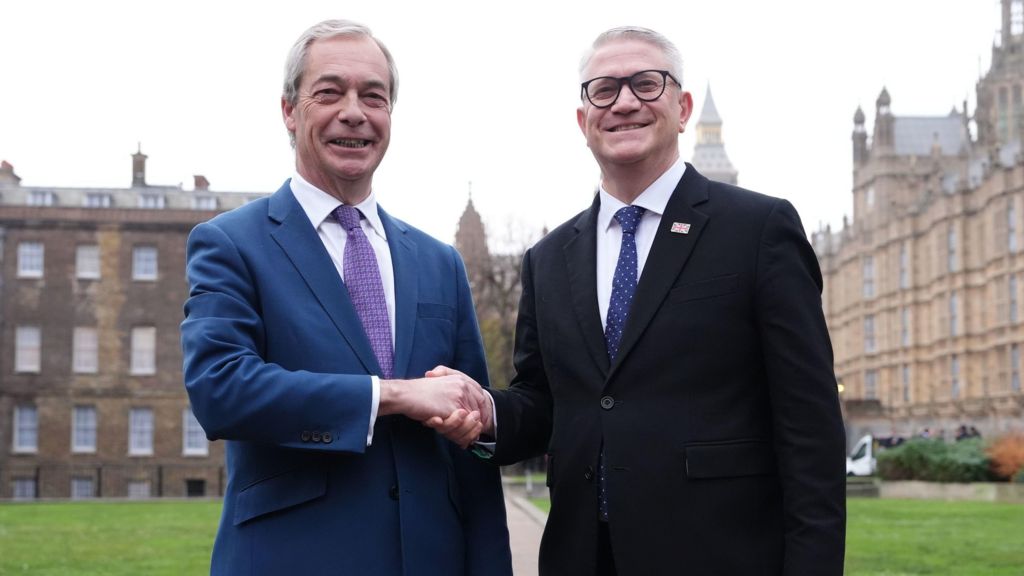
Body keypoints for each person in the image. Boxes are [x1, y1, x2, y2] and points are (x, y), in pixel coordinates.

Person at [431, 26, 846, 575]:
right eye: (604, 89)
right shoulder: (549, 258)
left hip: (721, 555)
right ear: (584, 120)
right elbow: (547, 403)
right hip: (583, 556)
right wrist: (486, 414)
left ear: (684, 107)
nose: (625, 102)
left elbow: (810, 430)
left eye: (647, 84)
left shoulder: (759, 228)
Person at [180, 20, 510, 576]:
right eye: (329, 92)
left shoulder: (440, 263)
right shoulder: (231, 242)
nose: (354, 112)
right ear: (289, 111)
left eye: (373, 96)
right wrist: (393, 396)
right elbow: (220, 389)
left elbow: (470, 439)